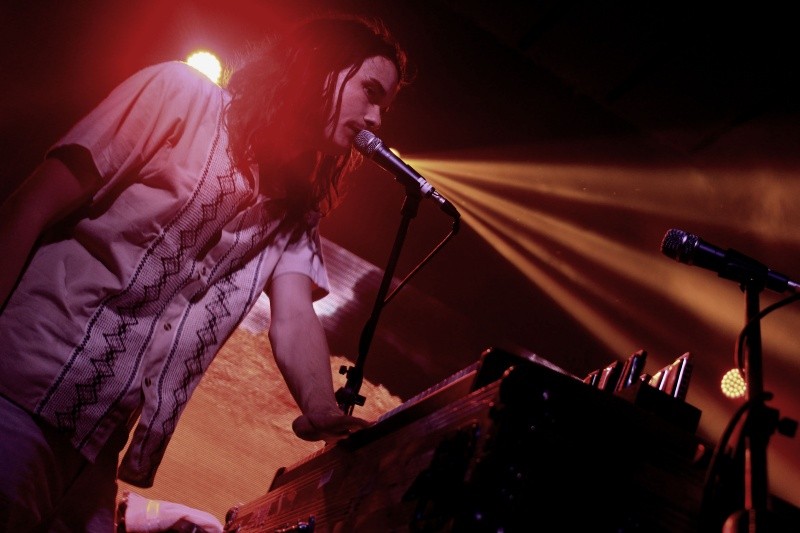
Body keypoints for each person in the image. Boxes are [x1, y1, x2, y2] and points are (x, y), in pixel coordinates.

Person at [0, 15, 408, 531]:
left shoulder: (295, 211)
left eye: (384, 107)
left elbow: (293, 318)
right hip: (18, 396)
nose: (375, 118)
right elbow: (31, 206)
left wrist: (323, 408)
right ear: (318, 66)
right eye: (370, 92)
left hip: (93, 444)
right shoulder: (181, 94)